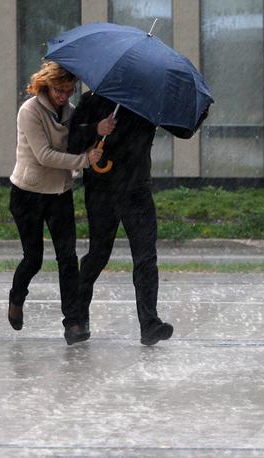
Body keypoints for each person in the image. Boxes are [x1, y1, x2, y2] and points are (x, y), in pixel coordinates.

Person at [8, 61, 114, 345]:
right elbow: (44, 154)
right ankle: (17, 296)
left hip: (59, 194)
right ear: (46, 85)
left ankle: (74, 322)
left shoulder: (72, 112)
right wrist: (83, 161)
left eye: (69, 91)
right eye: (58, 90)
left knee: (67, 259)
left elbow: (78, 138)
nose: (63, 96)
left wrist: (98, 130)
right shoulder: (29, 111)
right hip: (27, 194)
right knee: (33, 259)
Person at [68, 91, 173, 346]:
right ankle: (76, 318)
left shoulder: (148, 103)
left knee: (146, 257)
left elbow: (178, 130)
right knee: (98, 254)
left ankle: (149, 324)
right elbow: (71, 141)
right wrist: (97, 128)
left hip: (137, 190)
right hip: (102, 190)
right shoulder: (92, 101)